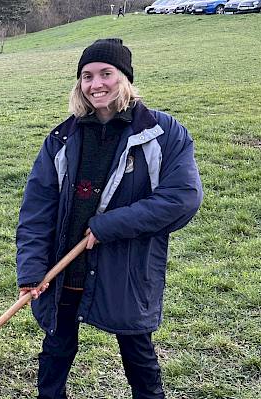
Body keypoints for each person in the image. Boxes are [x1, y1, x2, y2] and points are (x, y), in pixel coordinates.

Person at [16, 38, 203, 398]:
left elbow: (182, 198)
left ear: (125, 78)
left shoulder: (162, 134)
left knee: (138, 355)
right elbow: (37, 210)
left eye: (106, 73)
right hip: (65, 268)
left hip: (125, 268)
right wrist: (31, 269)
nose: (96, 84)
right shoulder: (62, 137)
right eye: (87, 76)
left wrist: (107, 226)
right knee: (56, 351)